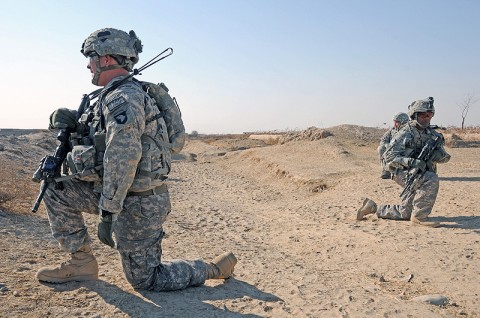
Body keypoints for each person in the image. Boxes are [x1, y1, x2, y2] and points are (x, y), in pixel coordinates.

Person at [36, 28, 237, 290]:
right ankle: (81, 262)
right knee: (55, 187)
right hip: (115, 192)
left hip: (141, 202)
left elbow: (124, 155)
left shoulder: (124, 98)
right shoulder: (109, 95)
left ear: (106, 59)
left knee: (146, 280)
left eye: (91, 58)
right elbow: (100, 137)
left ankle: (213, 268)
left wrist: (108, 212)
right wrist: (71, 119)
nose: (88, 65)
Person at [357, 97, 451, 227]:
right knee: (431, 179)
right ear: (415, 115)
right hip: (401, 171)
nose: (427, 118)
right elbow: (389, 157)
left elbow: (446, 157)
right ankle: (420, 218)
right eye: (423, 115)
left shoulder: (433, 134)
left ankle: (372, 208)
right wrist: (411, 161)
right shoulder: (405, 133)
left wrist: (437, 155)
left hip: (420, 173)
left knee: (405, 212)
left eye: (430, 115)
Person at [378, 112, 410, 179]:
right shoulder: (392, 130)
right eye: (394, 122)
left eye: (397, 122)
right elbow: (383, 140)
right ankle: (386, 171)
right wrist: (388, 147)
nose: (395, 124)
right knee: (381, 148)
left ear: (403, 122)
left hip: (404, 152)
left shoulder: (409, 131)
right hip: (392, 151)